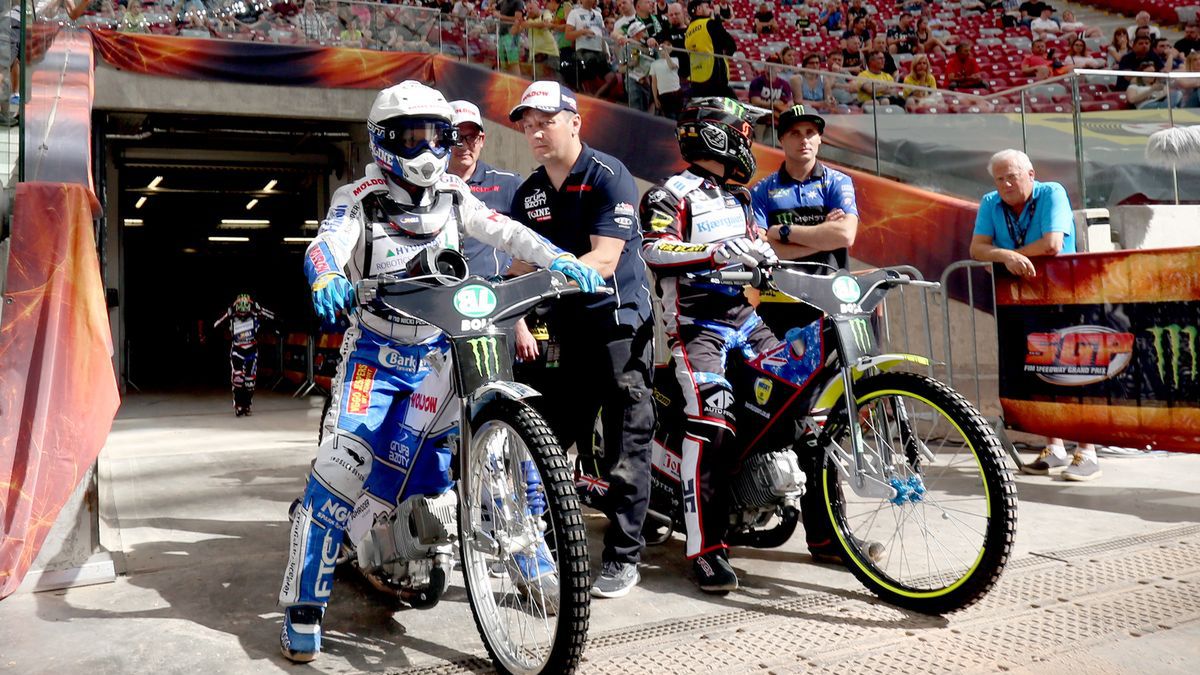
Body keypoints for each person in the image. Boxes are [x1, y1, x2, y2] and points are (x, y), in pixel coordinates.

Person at [277, 81, 604, 662]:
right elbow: (326, 243)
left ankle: (525, 548)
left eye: (434, 135)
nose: (425, 148)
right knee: (340, 465)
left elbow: (501, 230)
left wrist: (557, 257)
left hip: (440, 347)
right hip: (373, 356)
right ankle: (304, 603)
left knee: (474, 452)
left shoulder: (454, 191)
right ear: (383, 141)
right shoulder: (360, 196)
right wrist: (325, 274)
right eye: (410, 137)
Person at [507, 81, 655, 599]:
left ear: (575, 120)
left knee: (625, 447)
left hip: (617, 326)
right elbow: (520, 266)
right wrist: (502, 303)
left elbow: (606, 259)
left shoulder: (610, 176)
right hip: (562, 331)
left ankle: (622, 558)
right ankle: (545, 545)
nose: (535, 131)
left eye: (545, 119)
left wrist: (542, 278)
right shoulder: (528, 194)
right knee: (545, 441)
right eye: (527, 123)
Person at [639, 96, 781, 593]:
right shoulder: (667, 193)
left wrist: (766, 254)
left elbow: (757, 245)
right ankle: (704, 549)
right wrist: (714, 251)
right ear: (718, 135)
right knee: (713, 427)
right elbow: (654, 248)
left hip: (745, 317)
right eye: (746, 132)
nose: (751, 142)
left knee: (794, 395)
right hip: (695, 325)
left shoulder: (740, 197)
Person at [749, 105, 881, 563]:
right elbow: (761, 243)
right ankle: (815, 532)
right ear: (781, 140)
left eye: (811, 133)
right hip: (778, 316)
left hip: (827, 311)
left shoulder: (837, 181)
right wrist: (811, 233)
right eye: (795, 133)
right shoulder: (762, 189)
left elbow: (843, 236)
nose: (804, 140)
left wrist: (786, 231)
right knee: (792, 423)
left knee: (821, 429)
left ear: (819, 140)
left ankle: (827, 537)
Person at [968, 149, 1100, 482]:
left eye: (1012, 176)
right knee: (1038, 370)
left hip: (1064, 294)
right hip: (1021, 300)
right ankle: (1054, 448)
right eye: (999, 178)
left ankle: (1087, 451)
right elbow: (976, 249)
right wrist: (1004, 256)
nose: (1006, 183)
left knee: (1075, 369)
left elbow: (1052, 244)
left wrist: (1007, 258)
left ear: (1031, 173)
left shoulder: (1052, 192)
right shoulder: (990, 201)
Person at [447, 100, 525, 277]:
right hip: (443, 290)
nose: (464, 145)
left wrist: (510, 270)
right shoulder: (430, 185)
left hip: (495, 294)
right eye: (456, 137)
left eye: (471, 137)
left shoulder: (509, 183)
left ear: (481, 140)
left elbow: (533, 236)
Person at [213, 293, 275, 416]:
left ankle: (247, 406)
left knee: (249, 381)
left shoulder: (255, 314)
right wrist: (227, 313)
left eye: (245, 306)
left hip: (252, 350)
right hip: (237, 350)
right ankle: (238, 405)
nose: (242, 312)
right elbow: (215, 324)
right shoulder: (231, 315)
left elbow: (274, 317)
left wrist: (260, 309)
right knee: (237, 379)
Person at [684, 0, 736, 98]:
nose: (709, 6)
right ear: (698, 9)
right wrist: (717, 16)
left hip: (696, 82)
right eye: (706, 5)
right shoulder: (709, 24)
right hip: (715, 82)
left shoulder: (688, 31)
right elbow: (731, 45)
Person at [649, 36, 685, 118]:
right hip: (664, 95)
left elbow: (672, 66)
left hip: (677, 92)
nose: (665, 46)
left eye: (668, 44)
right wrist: (655, 98)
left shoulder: (675, 59)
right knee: (670, 116)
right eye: (664, 45)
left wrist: (666, 54)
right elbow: (654, 83)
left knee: (679, 116)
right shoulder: (654, 64)